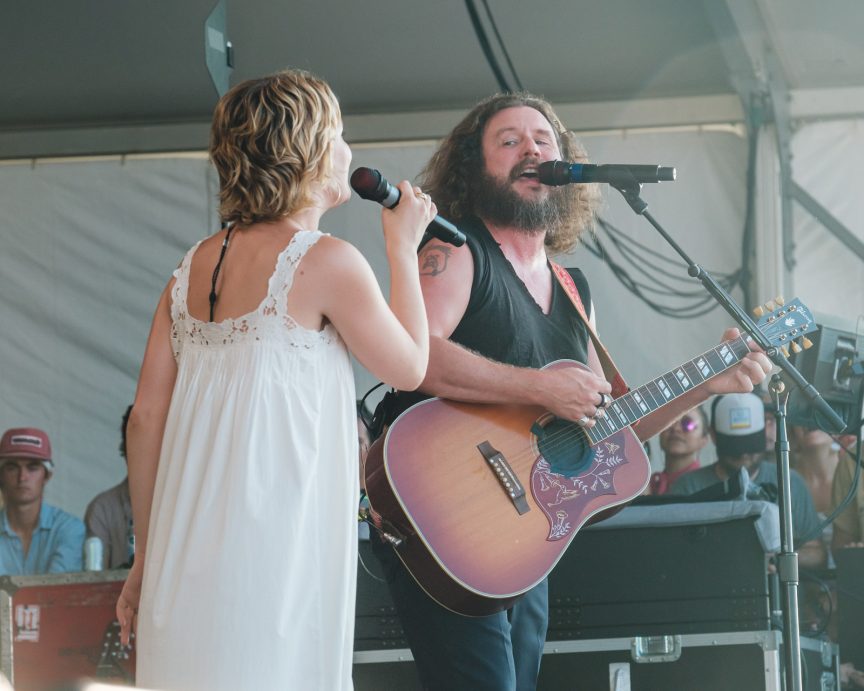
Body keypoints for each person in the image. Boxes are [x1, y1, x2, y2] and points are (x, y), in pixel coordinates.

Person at [370, 92, 772, 691]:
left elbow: (604, 429)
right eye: (509, 141)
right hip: (442, 513)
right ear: (475, 169)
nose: (532, 148)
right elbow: (415, 357)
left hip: (524, 533)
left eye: (544, 140)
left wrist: (710, 383)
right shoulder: (453, 249)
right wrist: (539, 386)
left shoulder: (572, 286)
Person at [115, 69, 433, 691]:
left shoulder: (187, 271)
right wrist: (403, 248)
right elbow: (411, 367)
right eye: (338, 134)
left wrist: (147, 556)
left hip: (180, 560)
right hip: (272, 562)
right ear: (307, 150)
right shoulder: (327, 261)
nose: (348, 150)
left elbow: (144, 421)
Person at [671, 393, 826, 569]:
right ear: (714, 435)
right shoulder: (687, 487)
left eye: (750, 445)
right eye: (735, 446)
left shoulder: (790, 482)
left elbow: (817, 554)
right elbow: (671, 556)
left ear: (763, 433)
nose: (744, 454)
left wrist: (778, 559)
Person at [0, 427, 85, 575]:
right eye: (12, 467)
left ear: (47, 476)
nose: (22, 477)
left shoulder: (69, 528)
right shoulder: (68, 528)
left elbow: (58, 590)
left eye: (32, 468)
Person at [84, 405, 134, 569]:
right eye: (136, 448)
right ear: (125, 453)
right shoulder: (103, 508)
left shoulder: (188, 503)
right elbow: (95, 584)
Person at [648, 406, 709, 495]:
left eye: (688, 424)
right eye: (669, 422)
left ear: (703, 440)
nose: (676, 428)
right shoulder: (650, 485)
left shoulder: (707, 487)